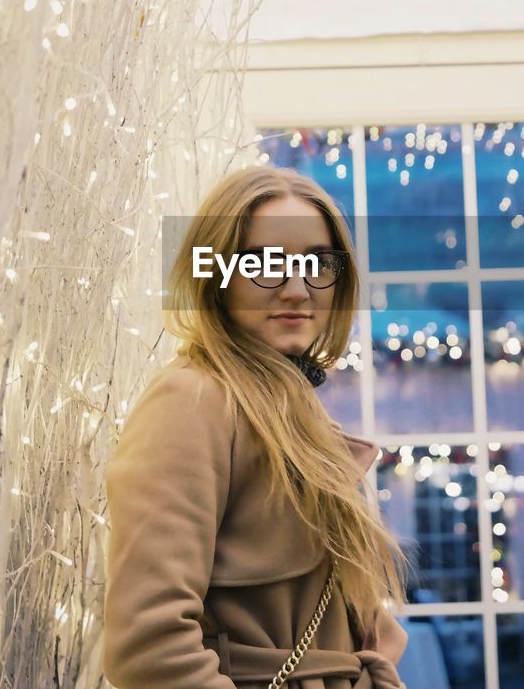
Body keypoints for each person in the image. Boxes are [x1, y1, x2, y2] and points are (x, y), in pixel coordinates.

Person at [103, 166, 412, 688]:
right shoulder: (193, 400)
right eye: (265, 265)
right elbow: (149, 645)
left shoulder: (288, 406)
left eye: (318, 264)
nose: (297, 289)